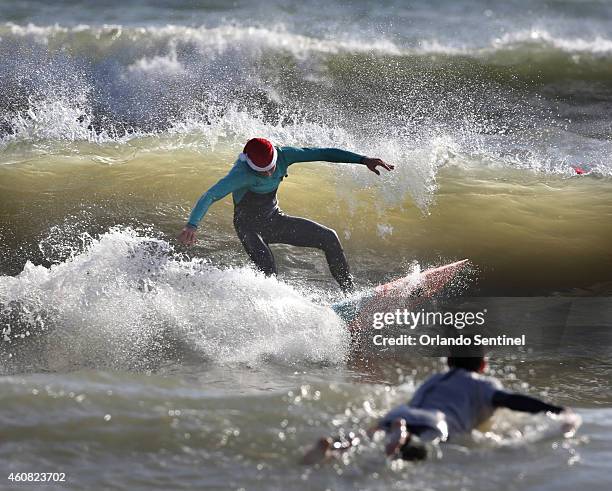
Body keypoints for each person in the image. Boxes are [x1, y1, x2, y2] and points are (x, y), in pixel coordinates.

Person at [177, 138, 394, 292]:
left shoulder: (284, 155)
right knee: (268, 270)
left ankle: (350, 295)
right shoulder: (240, 174)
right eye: (263, 171)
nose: (270, 173)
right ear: (250, 165)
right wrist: (192, 225)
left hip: (274, 219)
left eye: (271, 167)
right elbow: (210, 195)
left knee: (329, 238)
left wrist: (363, 159)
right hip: (248, 228)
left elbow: (323, 153)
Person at [302, 352, 576, 464]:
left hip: (399, 414)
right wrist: (555, 410)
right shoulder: (483, 384)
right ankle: (405, 440)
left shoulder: (433, 380)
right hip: (437, 423)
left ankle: (334, 447)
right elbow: (512, 400)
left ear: (448, 363)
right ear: (482, 366)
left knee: (365, 439)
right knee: (417, 454)